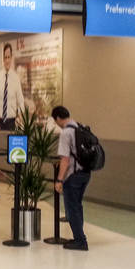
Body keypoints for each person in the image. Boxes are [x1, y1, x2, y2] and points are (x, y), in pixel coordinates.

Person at [52, 106, 91, 251]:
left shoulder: (66, 133)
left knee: (71, 208)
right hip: (85, 173)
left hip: (73, 175)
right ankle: (78, 236)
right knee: (78, 205)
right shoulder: (80, 128)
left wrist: (59, 179)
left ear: (57, 119)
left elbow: (65, 159)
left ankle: (81, 241)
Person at [0, 43, 25, 131]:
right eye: (5, 57)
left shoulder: (16, 78)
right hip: (0, 122)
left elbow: (20, 101)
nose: (7, 60)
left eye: (9, 57)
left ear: (11, 58)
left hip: (12, 122)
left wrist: (20, 118)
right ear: (3, 58)